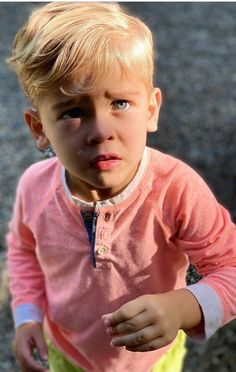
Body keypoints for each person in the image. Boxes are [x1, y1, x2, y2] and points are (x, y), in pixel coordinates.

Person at [6, 2, 236, 372]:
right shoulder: (35, 188)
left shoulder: (175, 189)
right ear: (39, 129)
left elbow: (231, 265)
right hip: (66, 354)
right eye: (72, 112)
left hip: (152, 363)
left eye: (120, 103)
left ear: (150, 109)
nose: (100, 132)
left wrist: (183, 306)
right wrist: (27, 316)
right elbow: (23, 252)